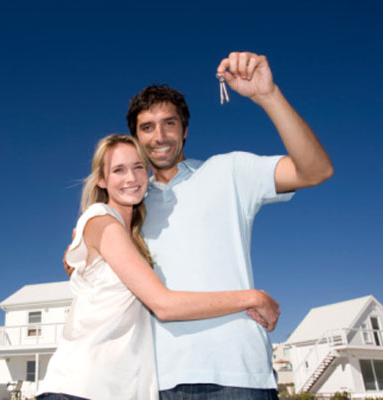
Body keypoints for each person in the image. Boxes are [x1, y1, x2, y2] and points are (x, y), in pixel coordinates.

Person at [119, 52, 333, 399]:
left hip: (239, 374)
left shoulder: (229, 171)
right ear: (135, 138)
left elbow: (316, 170)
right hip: (156, 380)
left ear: (185, 130)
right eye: (147, 127)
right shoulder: (127, 208)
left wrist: (268, 95)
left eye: (169, 123)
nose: (159, 136)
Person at [38, 134, 281, 400]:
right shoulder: (102, 220)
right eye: (118, 170)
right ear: (102, 180)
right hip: (81, 388)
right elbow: (163, 305)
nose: (131, 178)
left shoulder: (129, 236)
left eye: (138, 167)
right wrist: (252, 297)